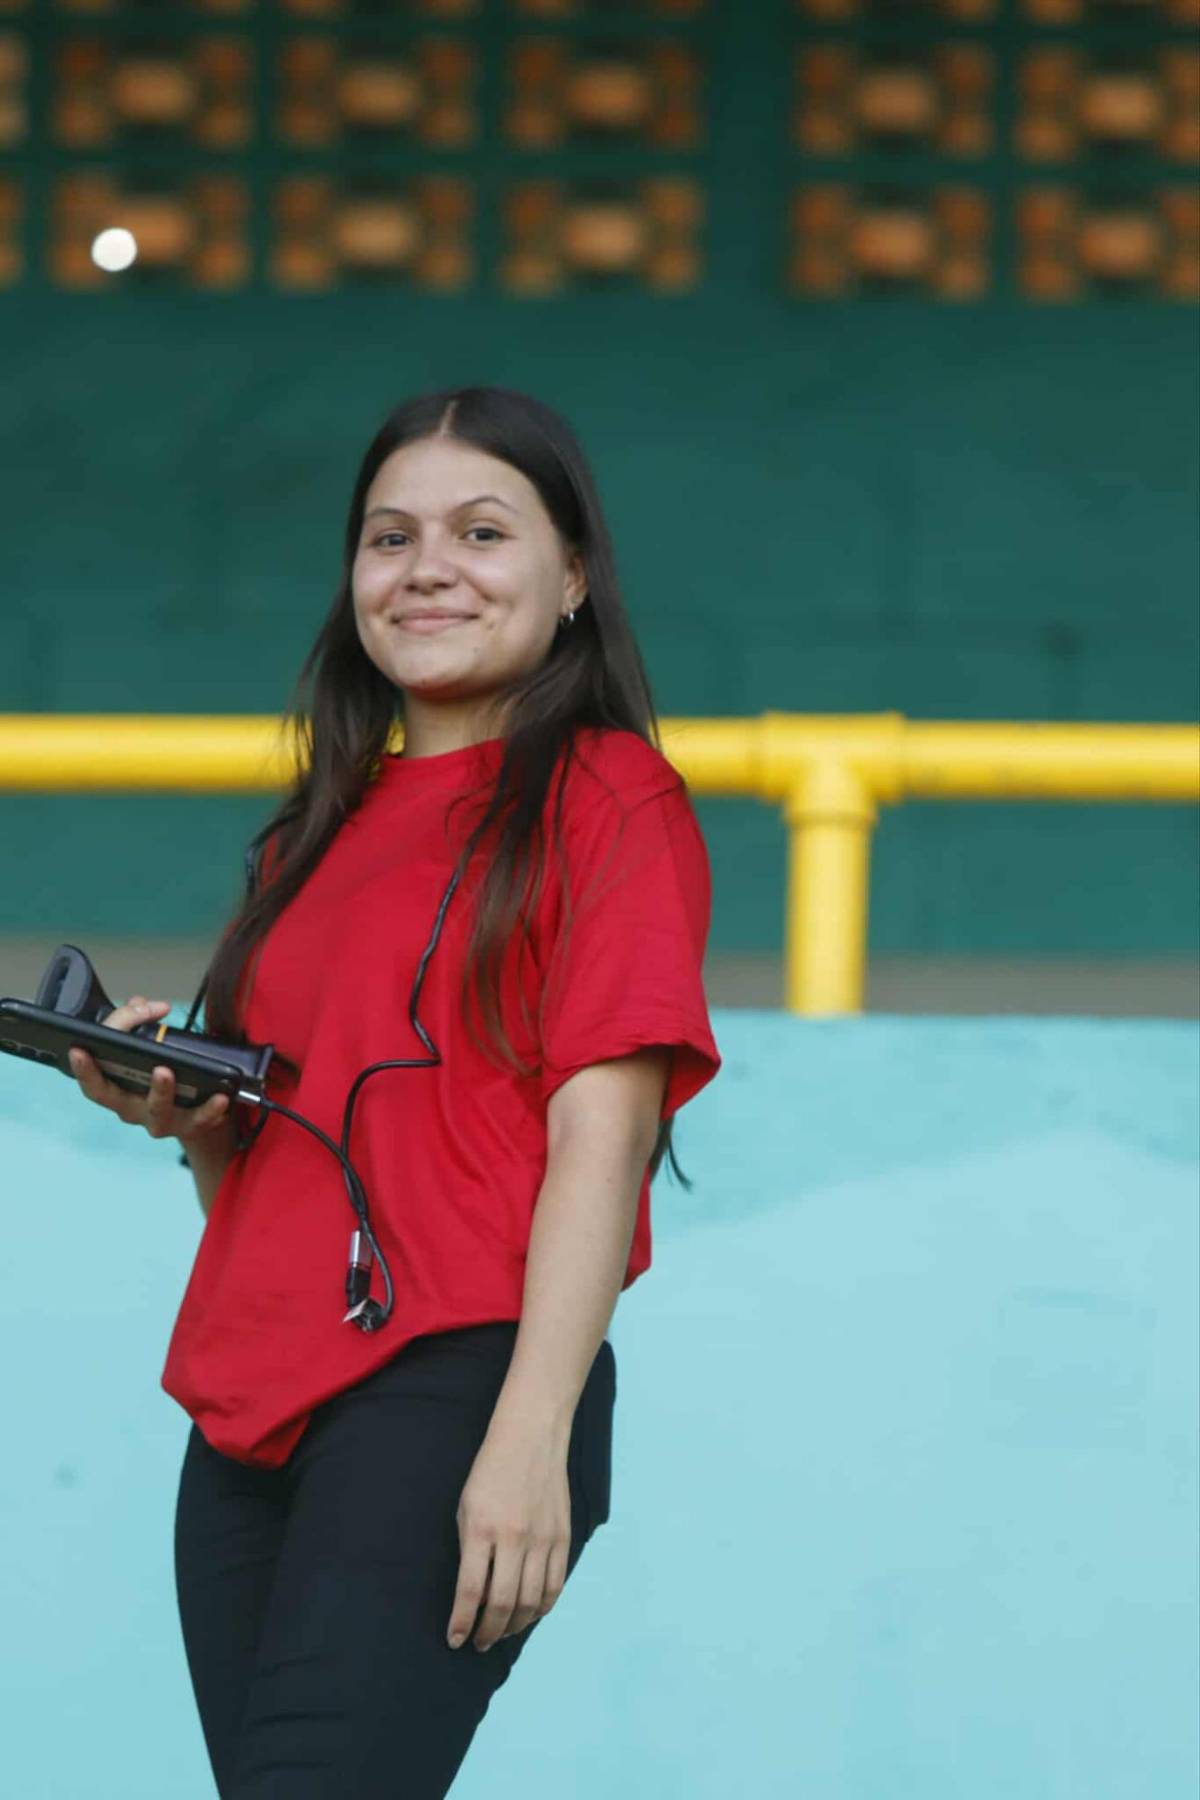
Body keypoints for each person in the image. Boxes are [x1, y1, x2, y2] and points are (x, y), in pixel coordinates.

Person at [65, 385, 721, 1798]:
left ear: (571, 581)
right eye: (389, 537)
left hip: (458, 1387)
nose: (427, 568)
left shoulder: (608, 799)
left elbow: (601, 1132)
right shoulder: (314, 828)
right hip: (250, 1406)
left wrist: (531, 1442)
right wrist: (181, 1115)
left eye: (483, 533)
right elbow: (273, 1161)